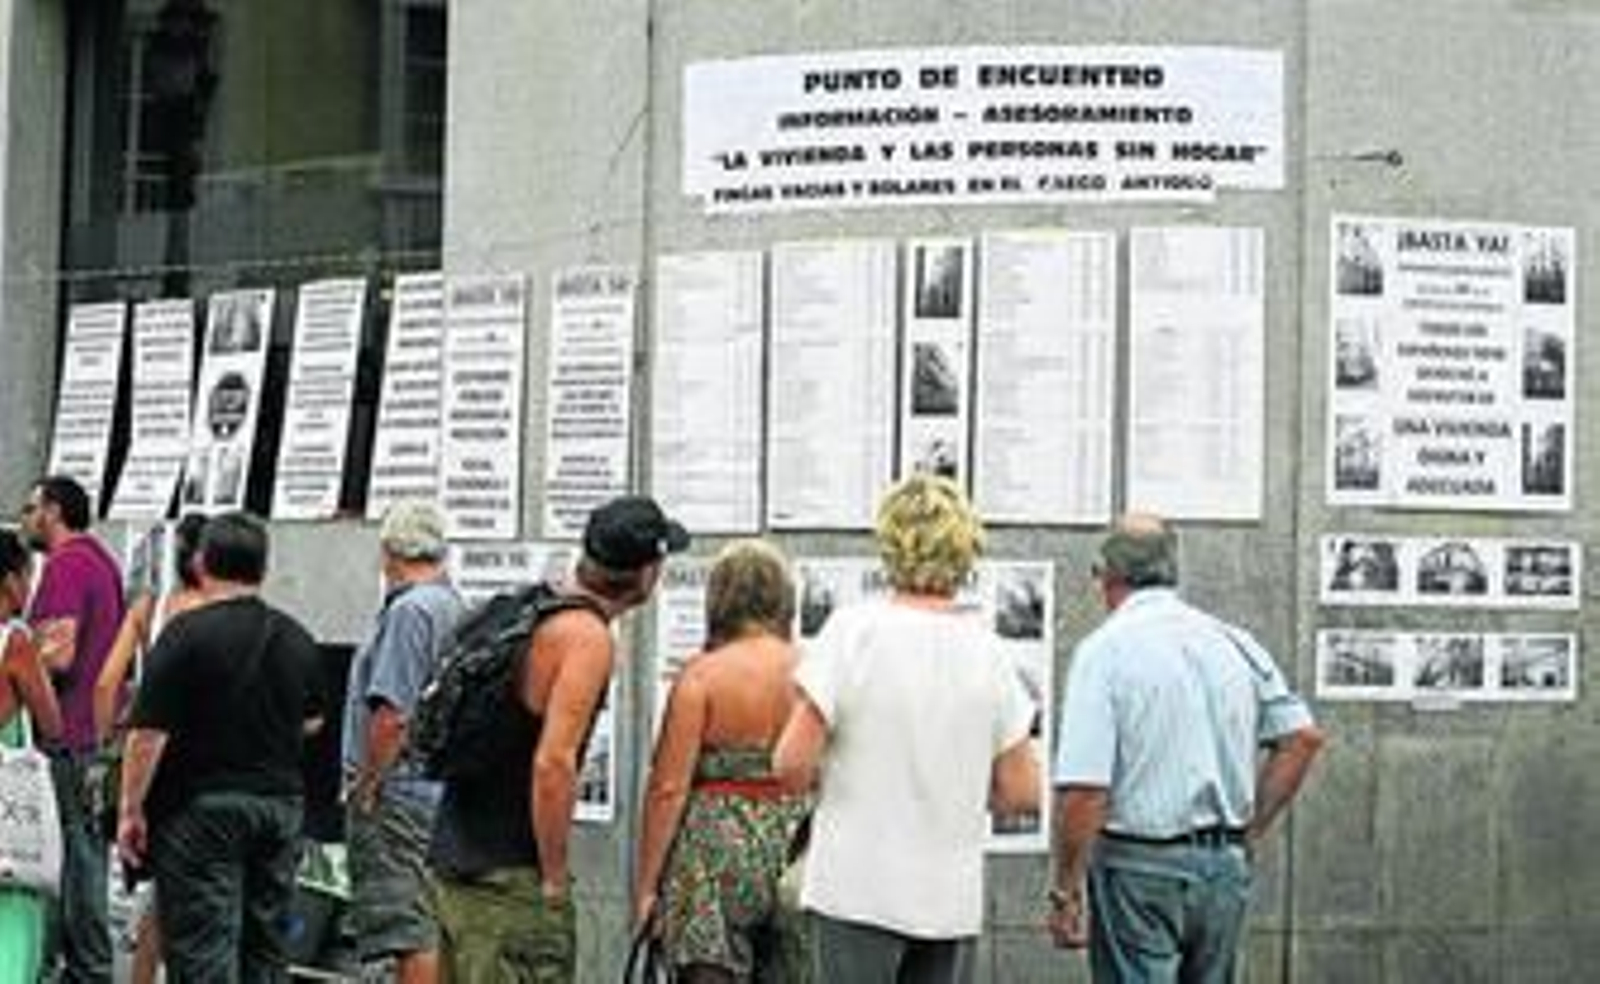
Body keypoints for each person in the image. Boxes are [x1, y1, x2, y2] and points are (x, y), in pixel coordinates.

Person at [774, 475, 1040, 984]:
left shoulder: (853, 632)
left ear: (890, 543)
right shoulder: (988, 652)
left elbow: (790, 766)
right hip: (948, 899)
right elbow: (1022, 792)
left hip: (856, 889)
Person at [1047, 513, 1326, 982]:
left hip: (1137, 868)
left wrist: (1065, 890)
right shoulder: (1234, 642)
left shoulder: (1105, 652)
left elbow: (1086, 792)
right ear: (1171, 571)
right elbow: (1301, 739)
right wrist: (1246, 831)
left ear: (1107, 576)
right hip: (1222, 867)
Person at [427, 494, 688, 982]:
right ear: (648, 573)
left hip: (454, 857)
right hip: (511, 876)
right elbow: (554, 763)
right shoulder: (586, 639)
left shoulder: (525, 609)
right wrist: (552, 876)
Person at [115, 512, 327, 982]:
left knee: (204, 951)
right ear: (263, 568)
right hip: (279, 806)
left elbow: (148, 733)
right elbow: (313, 722)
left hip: (202, 810)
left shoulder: (186, 634)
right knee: (265, 950)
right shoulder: (297, 638)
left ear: (202, 561)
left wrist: (131, 810)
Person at [633, 539, 810, 983]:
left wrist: (647, 887)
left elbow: (668, 789)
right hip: (801, 846)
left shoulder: (702, 677)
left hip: (713, 857)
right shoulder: (816, 669)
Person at [343, 502, 464, 983]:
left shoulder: (410, 612)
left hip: (400, 793)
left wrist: (369, 784)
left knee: (408, 929)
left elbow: (392, 714)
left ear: (389, 551)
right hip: (438, 791)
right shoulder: (454, 604)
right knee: (431, 919)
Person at [18, 474, 124, 984]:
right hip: (90, 740)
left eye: (30, 508)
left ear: (54, 510)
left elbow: (57, 655)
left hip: (69, 738)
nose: (24, 519)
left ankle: (86, 971)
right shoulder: (101, 562)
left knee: (75, 861)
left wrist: (14, 656)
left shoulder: (67, 565)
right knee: (82, 858)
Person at [92, 513, 208, 984]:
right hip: (203, 762)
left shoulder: (148, 607)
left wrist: (107, 744)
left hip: (147, 761)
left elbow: (105, 684)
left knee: (156, 895)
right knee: (196, 895)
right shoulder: (219, 611)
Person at [0, 530, 65, 984]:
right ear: (8, 581)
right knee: (14, 922)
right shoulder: (15, 643)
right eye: (27, 577)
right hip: (7, 812)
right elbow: (52, 723)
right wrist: (43, 658)